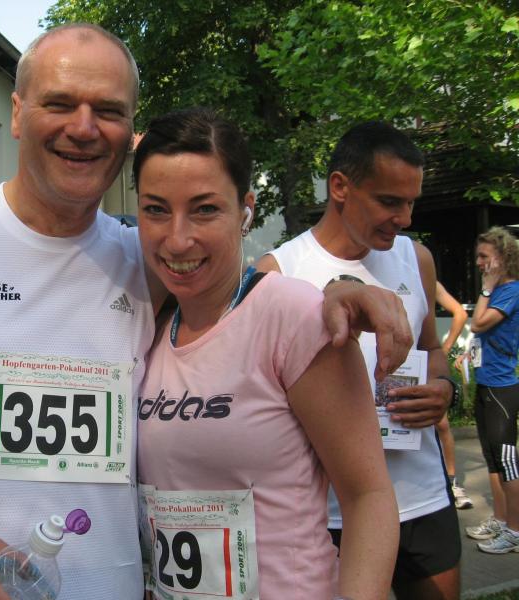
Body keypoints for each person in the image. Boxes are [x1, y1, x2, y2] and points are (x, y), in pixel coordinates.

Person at [0, 24, 413, 600]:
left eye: (107, 110)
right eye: (59, 103)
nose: (83, 128)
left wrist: (336, 287)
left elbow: (240, 297)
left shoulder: (146, 260)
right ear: (17, 114)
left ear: (129, 134)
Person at [134, 108, 398, 599]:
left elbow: (369, 497)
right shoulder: (148, 326)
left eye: (204, 209)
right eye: (155, 210)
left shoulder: (294, 315)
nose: (178, 238)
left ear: (245, 211)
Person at [257, 121, 462, 600]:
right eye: (389, 201)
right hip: (330, 510)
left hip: (421, 496)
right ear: (340, 187)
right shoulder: (279, 272)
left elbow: (432, 349)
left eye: (410, 203)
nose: (404, 218)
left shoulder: (417, 259)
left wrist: (444, 389)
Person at [460, 227, 519, 553]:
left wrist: (485, 288)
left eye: (484, 256)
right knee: (493, 460)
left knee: (508, 463)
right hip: (486, 383)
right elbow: (484, 334)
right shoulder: (499, 292)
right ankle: (501, 519)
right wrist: (469, 354)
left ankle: (516, 532)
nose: (479, 262)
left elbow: (478, 323)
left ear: (502, 257)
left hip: (502, 388)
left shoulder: (511, 290)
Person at [435, 281, 473, 509]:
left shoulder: (421, 273)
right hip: (386, 360)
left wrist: (444, 349)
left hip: (424, 361)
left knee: (441, 424)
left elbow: (460, 312)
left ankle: (452, 482)